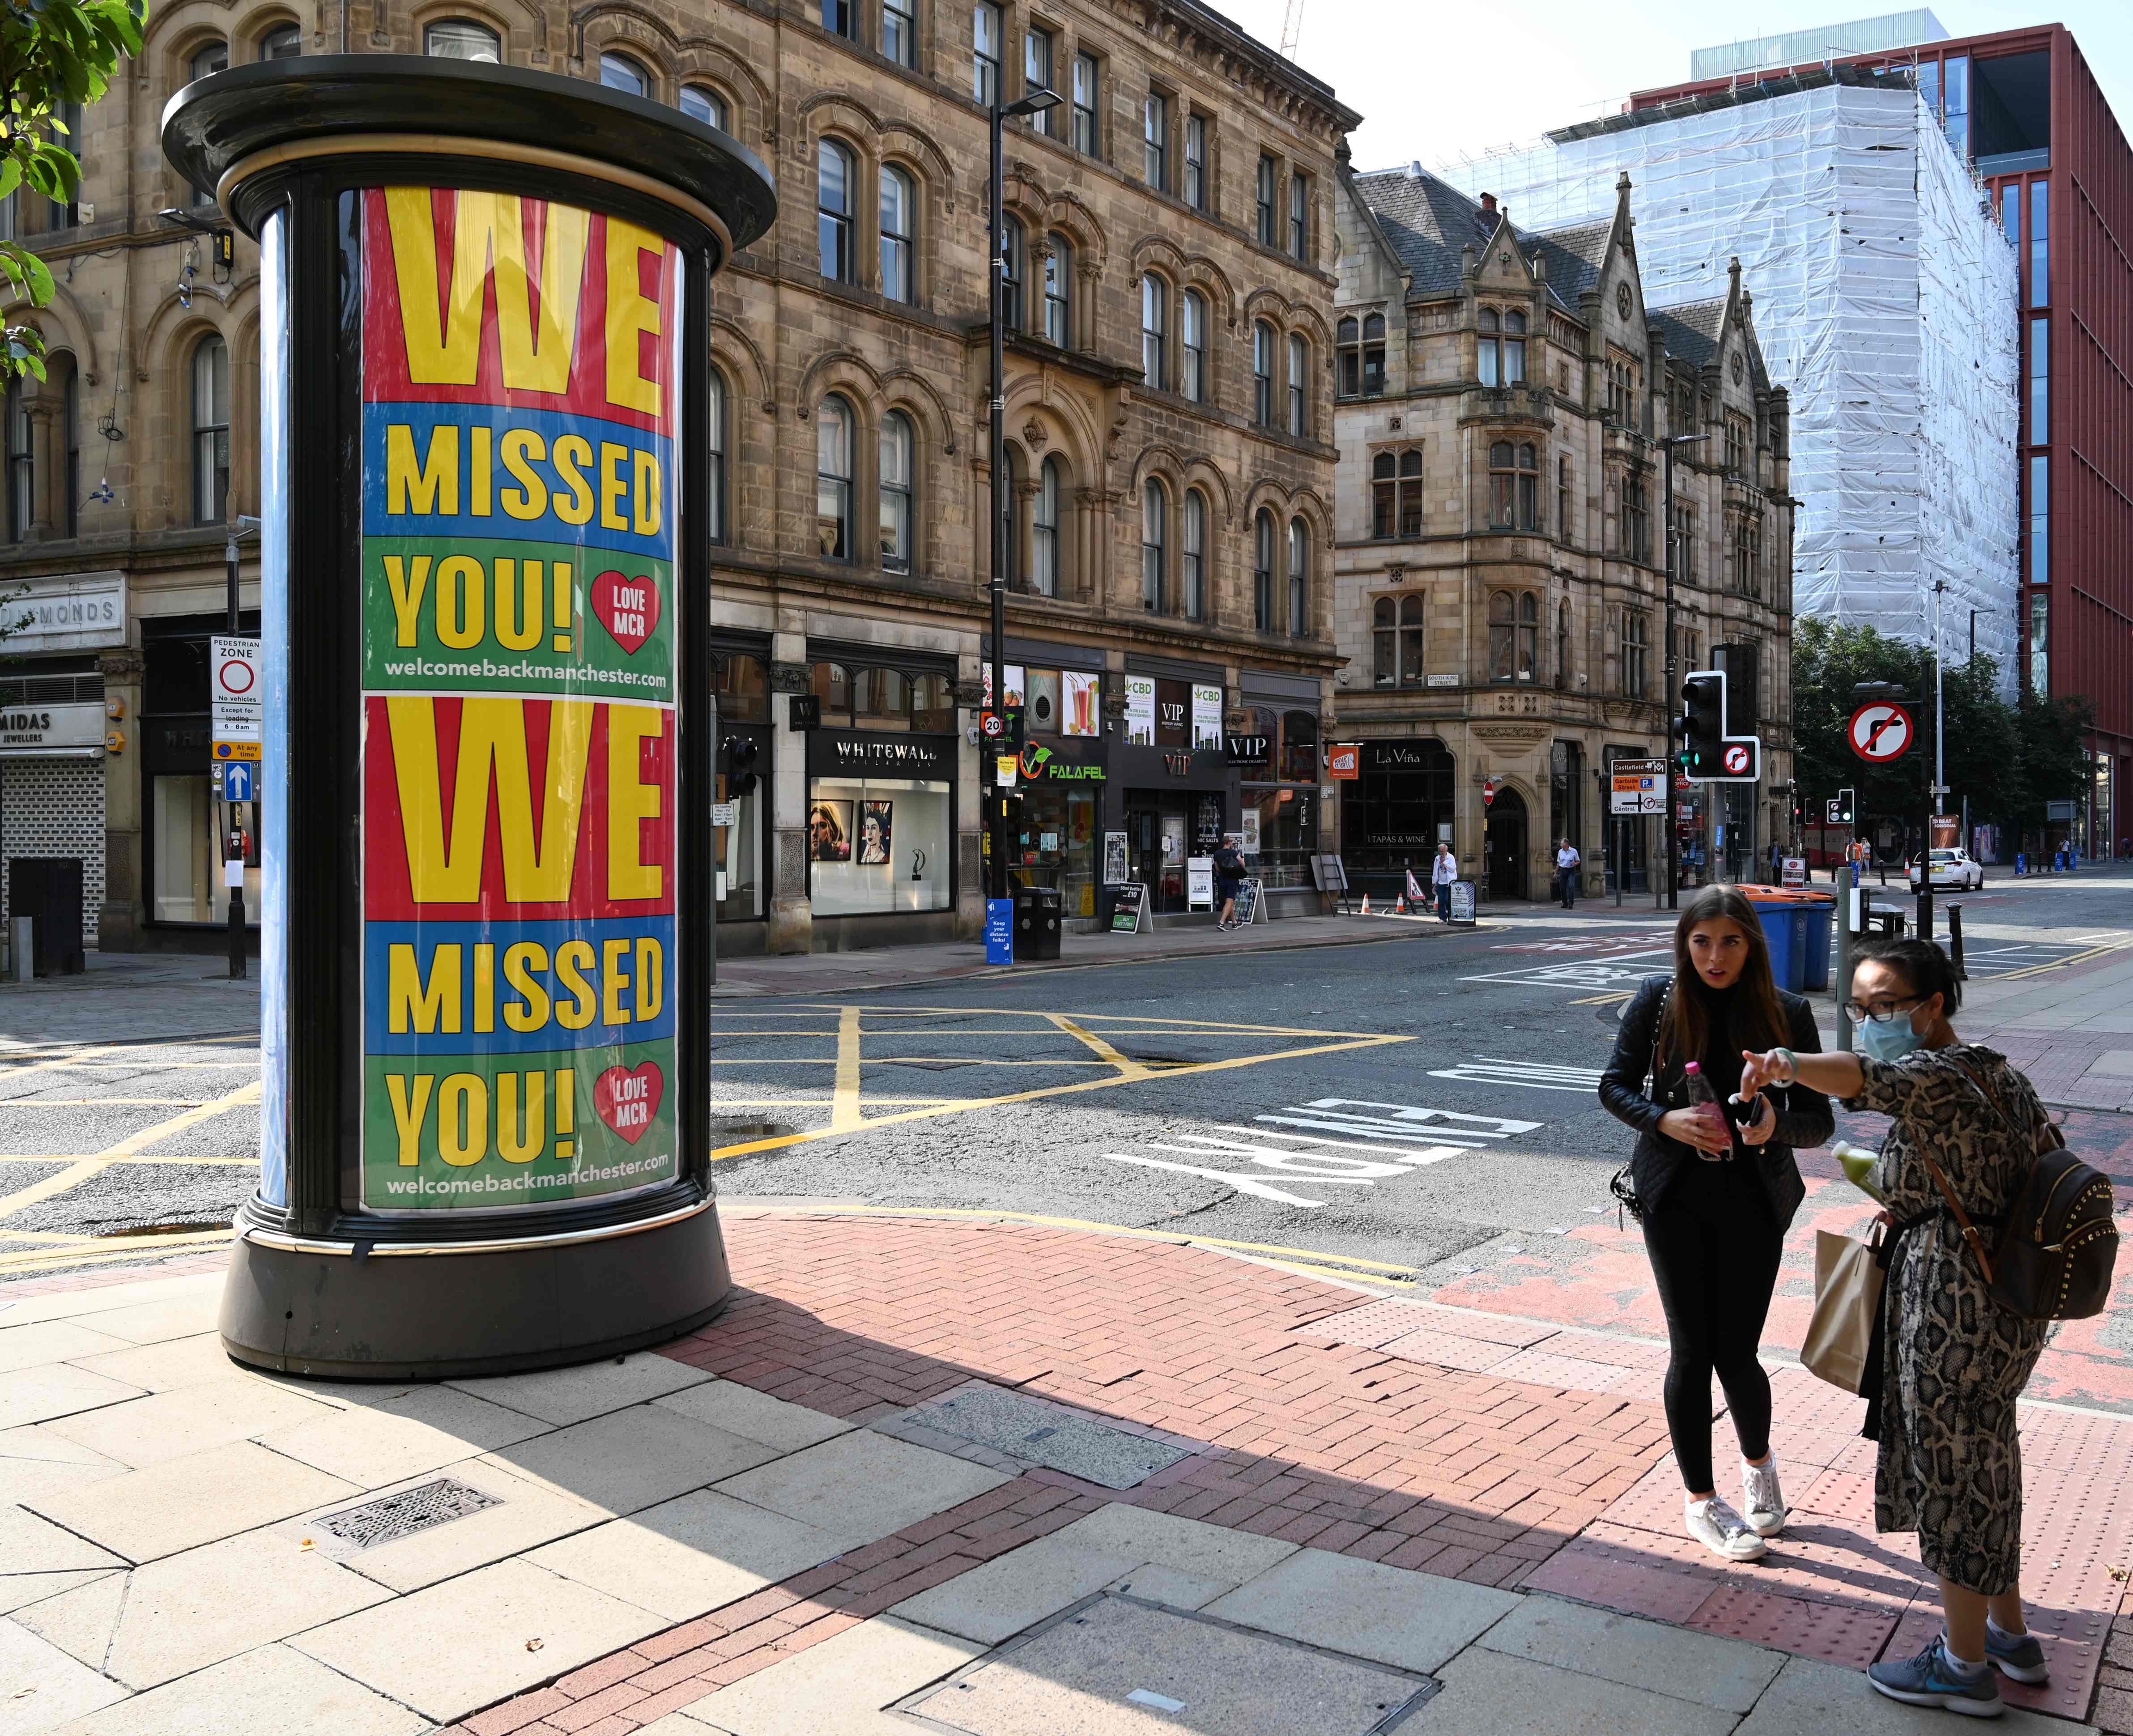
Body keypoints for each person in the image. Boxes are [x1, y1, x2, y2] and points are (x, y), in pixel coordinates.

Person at [1740, 940, 2052, 1716]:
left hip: (1953, 1302)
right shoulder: (1998, 1074)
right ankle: (2008, 1635)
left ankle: (1962, 1665)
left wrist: (1784, 1061)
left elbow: (1861, 1076)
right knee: (1987, 1464)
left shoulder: (1940, 1074)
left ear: (1932, 1005)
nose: (1870, 1020)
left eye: (1885, 1005)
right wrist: (1892, 1181)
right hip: (2005, 1299)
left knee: (1951, 1476)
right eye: (1860, 1006)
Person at [1599, 885, 1832, 1563]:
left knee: (1738, 1351)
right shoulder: (1659, 1002)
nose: (1714, 956)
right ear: (1684, 944)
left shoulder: (1785, 1014)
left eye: (1729, 940)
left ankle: (1758, 1470)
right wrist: (1663, 1120)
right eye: (1700, 942)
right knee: (1689, 1351)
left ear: (1751, 944)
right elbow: (1612, 1084)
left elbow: (1818, 1121)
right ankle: (1701, 1502)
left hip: (1753, 1200)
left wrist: (1771, 1128)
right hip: (1673, 1197)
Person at [1213, 834, 1246, 931]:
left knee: (1228, 902)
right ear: (1230, 843)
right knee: (1230, 901)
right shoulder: (1233, 852)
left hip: (1222, 880)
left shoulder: (1217, 853)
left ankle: (1235, 923)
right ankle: (1222, 923)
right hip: (1232, 880)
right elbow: (1243, 863)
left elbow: (1217, 868)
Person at [1431, 841, 1458, 921]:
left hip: (1449, 883)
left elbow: (1453, 869)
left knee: (1447, 900)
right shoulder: (1437, 858)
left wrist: (1444, 862)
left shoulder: (1451, 858)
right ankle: (1442, 918)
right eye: (1440, 851)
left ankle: (1451, 917)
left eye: (1442, 852)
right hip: (1440, 883)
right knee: (1441, 902)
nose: (1441, 853)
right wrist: (1434, 882)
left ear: (1446, 850)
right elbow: (1435, 871)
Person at [1554, 838, 1581, 909]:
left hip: (1571, 870)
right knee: (1563, 888)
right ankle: (1565, 903)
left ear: (1566, 845)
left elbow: (1578, 861)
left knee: (1571, 886)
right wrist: (1556, 873)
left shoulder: (1574, 851)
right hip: (1563, 870)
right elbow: (1558, 863)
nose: (1560, 845)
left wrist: (1575, 864)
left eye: (1562, 844)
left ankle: (1571, 903)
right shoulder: (1560, 852)